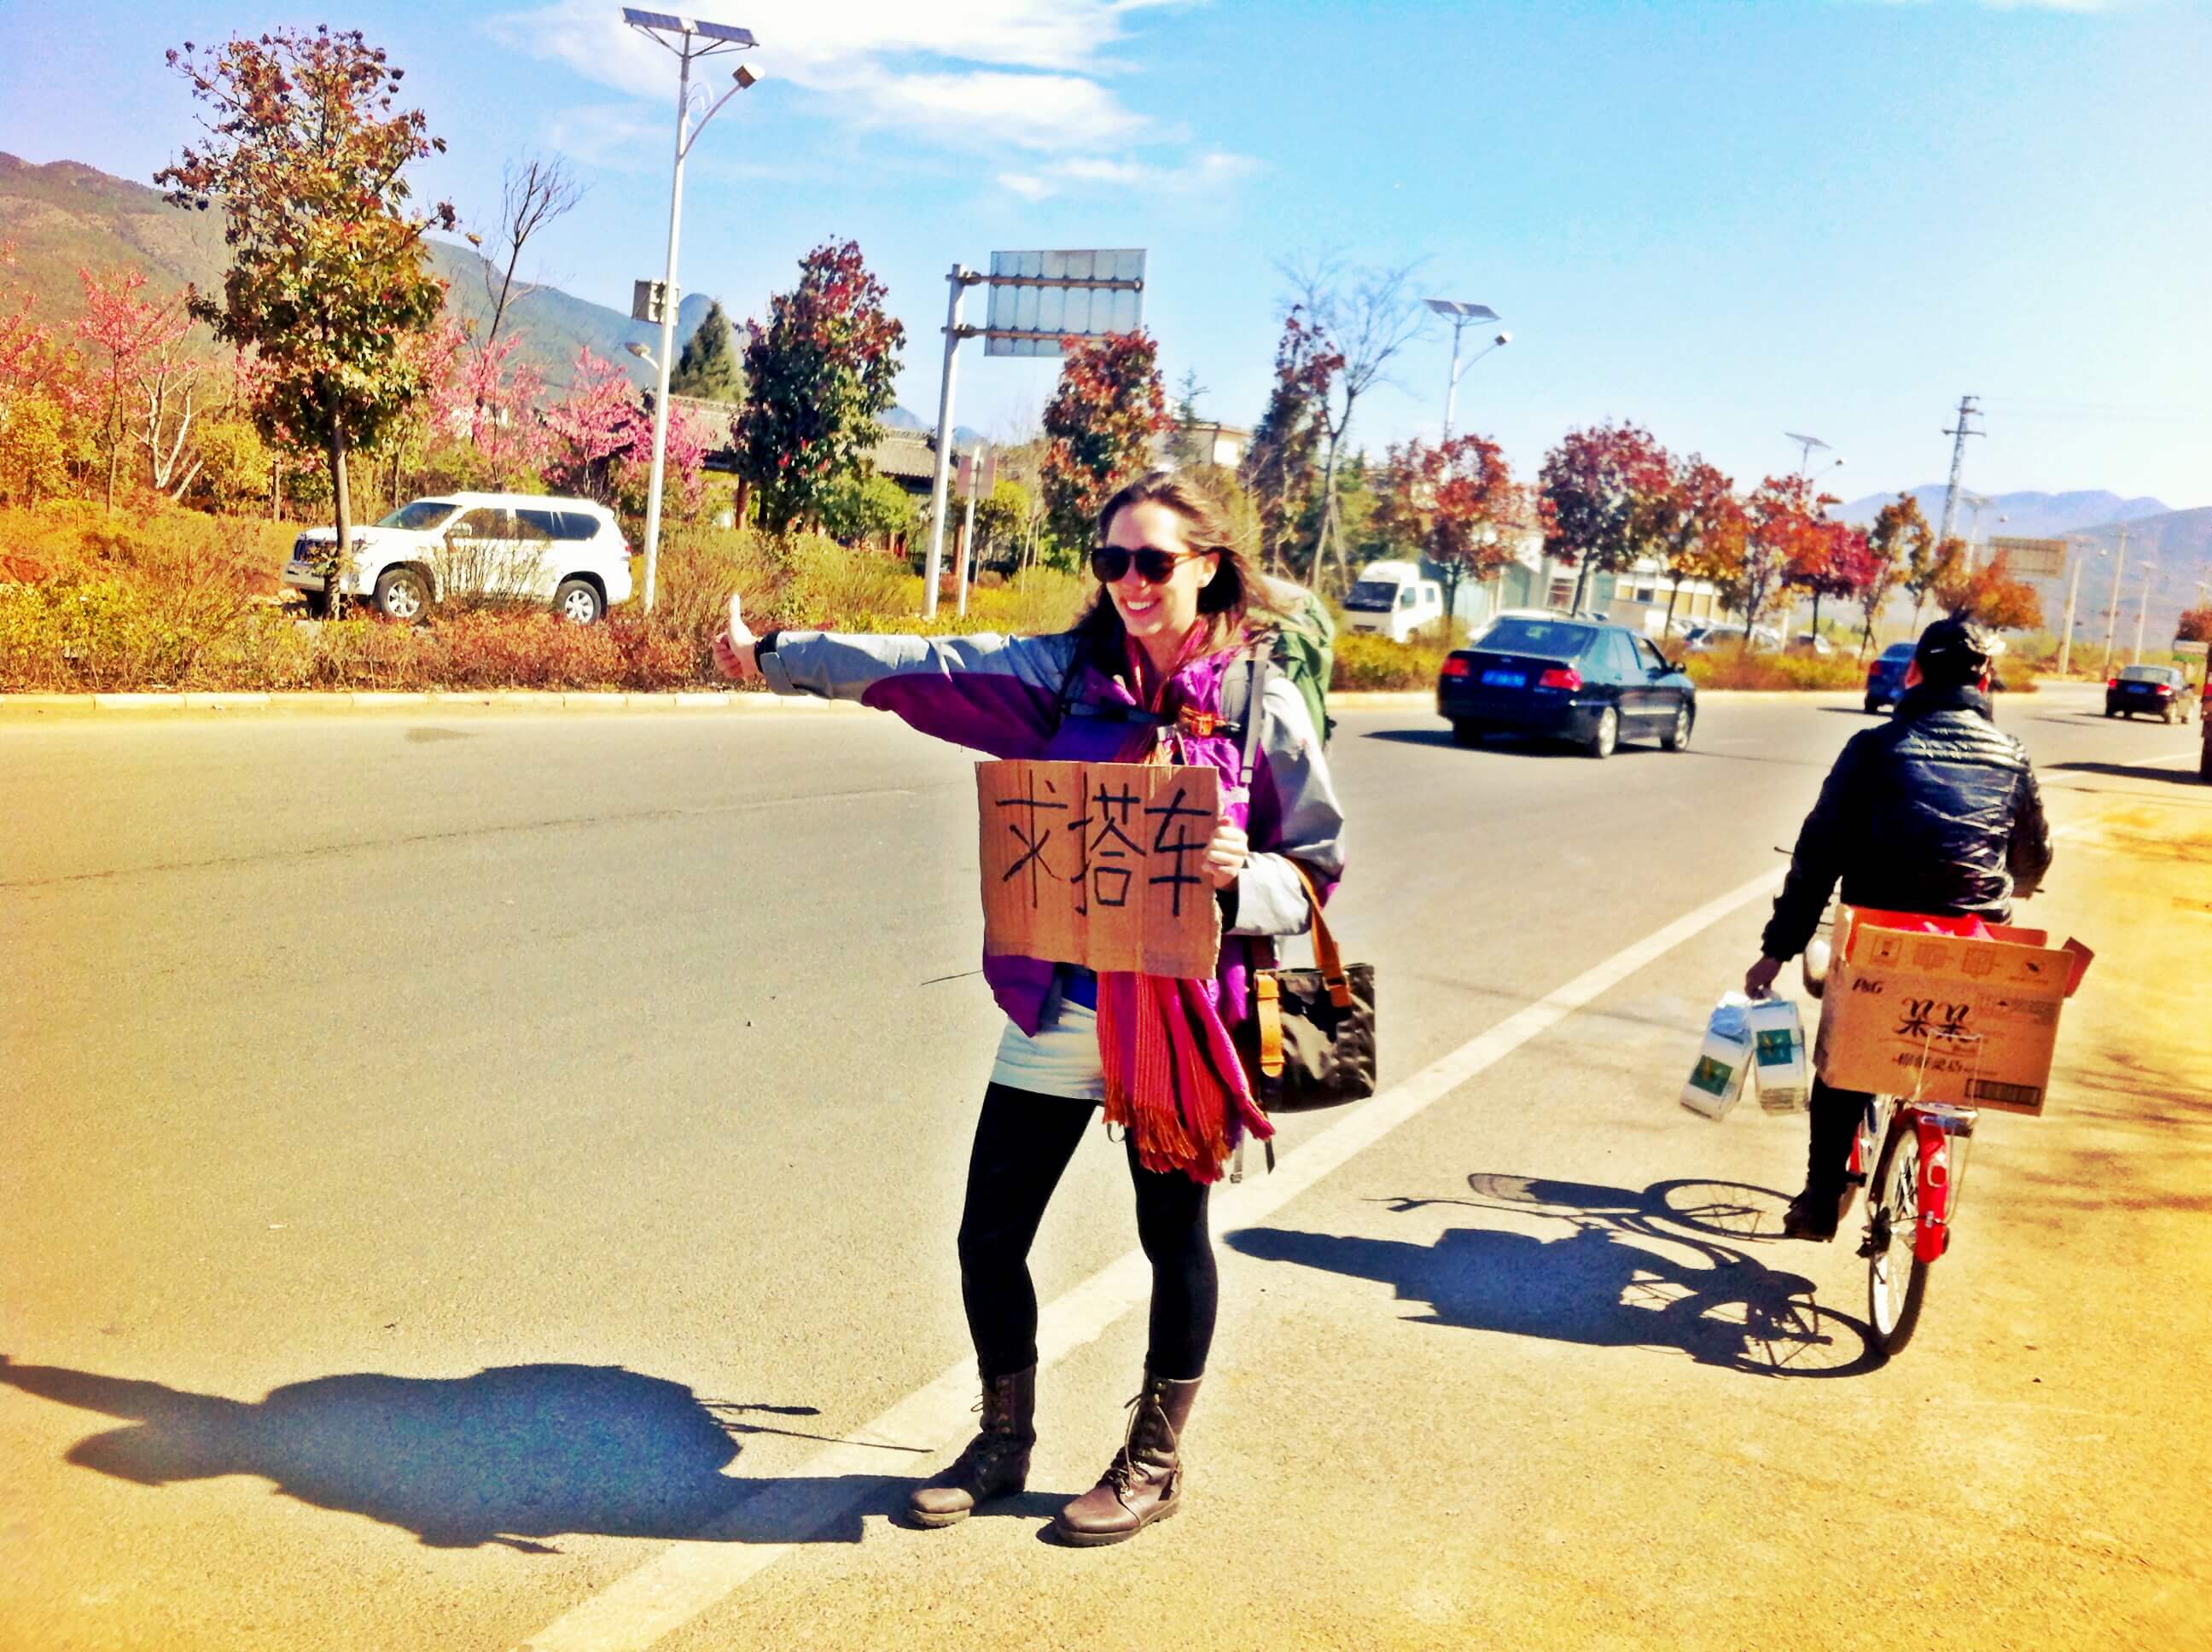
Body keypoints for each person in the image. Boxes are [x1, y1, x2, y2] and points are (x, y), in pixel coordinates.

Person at [712, 472, 1345, 1545]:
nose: (1131, 583)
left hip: (1182, 1021)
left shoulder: (1258, 700)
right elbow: (926, 668)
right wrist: (779, 657)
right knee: (986, 1235)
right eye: (1112, 562)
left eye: (1153, 561)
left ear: (1206, 565)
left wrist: (1244, 878)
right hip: (1060, 1004)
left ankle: (1154, 1459)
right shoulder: (1065, 679)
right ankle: (1005, 1440)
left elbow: (1317, 869)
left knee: (1170, 1234)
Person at [1744, 616, 2052, 1240]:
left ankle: (1820, 1197)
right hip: (1974, 948)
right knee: (1951, 1039)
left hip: (1880, 940)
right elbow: (2032, 857)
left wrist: (1778, 951)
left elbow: (1818, 858)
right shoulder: (2010, 755)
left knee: (1847, 1063)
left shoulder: (1873, 748)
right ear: (1985, 679)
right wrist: (2007, 885)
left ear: (1913, 673)